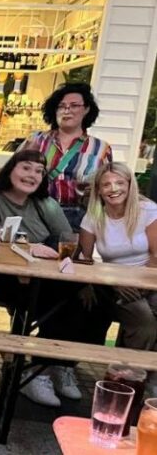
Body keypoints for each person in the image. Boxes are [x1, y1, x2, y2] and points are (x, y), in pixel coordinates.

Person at [0, 149, 107, 407]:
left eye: (39, 171)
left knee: (91, 303)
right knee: (64, 302)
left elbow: (67, 241)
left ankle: (56, 366)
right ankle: (38, 370)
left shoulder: (46, 204)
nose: (32, 175)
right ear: (11, 169)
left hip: (46, 277)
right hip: (3, 276)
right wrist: (27, 247)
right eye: (26, 168)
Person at [80, 162, 157, 395]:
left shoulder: (148, 210)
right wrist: (114, 281)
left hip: (149, 279)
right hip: (112, 284)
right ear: (99, 189)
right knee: (144, 320)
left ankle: (138, 377)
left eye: (120, 182)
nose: (113, 189)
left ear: (130, 185)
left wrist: (136, 283)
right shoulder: (94, 214)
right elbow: (85, 259)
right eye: (106, 184)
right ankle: (131, 381)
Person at [23, 82, 111, 230]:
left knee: (68, 253)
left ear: (87, 109)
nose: (67, 110)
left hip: (78, 221)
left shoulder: (101, 148)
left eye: (74, 105)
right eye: (61, 106)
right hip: (36, 214)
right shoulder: (36, 140)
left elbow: (107, 187)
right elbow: (12, 176)